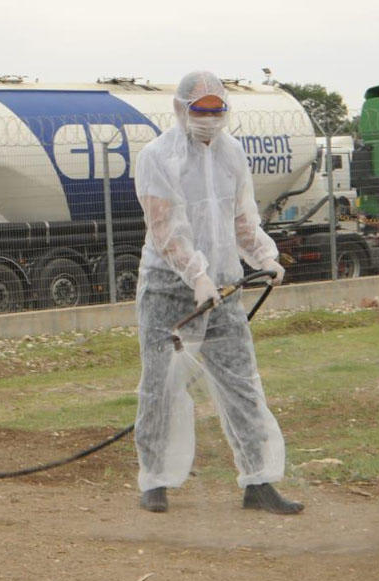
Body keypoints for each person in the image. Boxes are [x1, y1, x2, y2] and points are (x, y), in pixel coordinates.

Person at [133, 71, 304, 515]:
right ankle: (155, 481)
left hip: (225, 286)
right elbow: (164, 227)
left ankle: (259, 481)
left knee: (242, 384)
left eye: (216, 111)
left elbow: (242, 218)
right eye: (200, 111)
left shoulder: (232, 154)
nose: (209, 120)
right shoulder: (158, 157)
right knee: (160, 386)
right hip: (169, 289)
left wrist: (263, 257)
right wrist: (195, 276)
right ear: (181, 109)